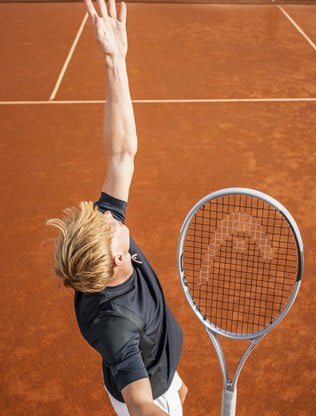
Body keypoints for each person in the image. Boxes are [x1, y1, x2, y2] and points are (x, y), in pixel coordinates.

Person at [47, 1, 187, 415]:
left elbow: (122, 154)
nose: (110, 213)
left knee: (183, 393)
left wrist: (114, 60)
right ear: (120, 257)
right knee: (172, 400)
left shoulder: (102, 253)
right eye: (108, 221)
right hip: (150, 380)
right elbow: (141, 403)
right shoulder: (116, 325)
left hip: (159, 354)